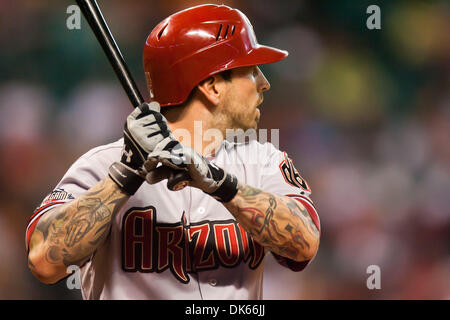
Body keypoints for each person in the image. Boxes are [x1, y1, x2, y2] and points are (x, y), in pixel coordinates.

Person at [26, 4, 320, 300]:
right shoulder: (104, 165)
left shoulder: (263, 161)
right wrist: (123, 178)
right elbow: (44, 262)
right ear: (212, 86)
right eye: (251, 71)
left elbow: (303, 244)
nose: (264, 83)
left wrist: (222, 184)